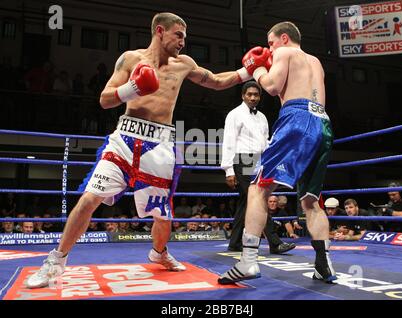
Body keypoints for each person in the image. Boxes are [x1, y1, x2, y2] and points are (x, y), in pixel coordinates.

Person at [27, 12, 252, 289]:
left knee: (162, 215)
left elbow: (216, 81)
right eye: (178, 35)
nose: (183, 41)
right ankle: (55, 262)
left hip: (160, 147)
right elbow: (105, 99)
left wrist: (248, 71)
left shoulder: (184, 64)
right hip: (124, 141)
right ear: (160, 31)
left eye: (185, 36)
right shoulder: (131, 59)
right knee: (89, 199)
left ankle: (159, 253)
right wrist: (133, 88)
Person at [219, 21, 336, 284]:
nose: (269, 49)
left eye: (270, 43)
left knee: (258, 187)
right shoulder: (315, 61)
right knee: (311, 201)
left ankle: (248, 262)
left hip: (297, 119)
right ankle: (324, 265)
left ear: (284, 38)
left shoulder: (285, 52)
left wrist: (257, 67)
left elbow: (271, 86)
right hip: (323, 123)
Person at [221, 81, 295, 254]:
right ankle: (275, 242)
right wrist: (228, 170)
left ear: (260, 97)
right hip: (243, 160)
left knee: (245, 203)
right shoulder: (235, 114)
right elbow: (228, 142)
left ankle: (235, 243)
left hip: (259, 160)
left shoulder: (262, 117)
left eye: (256, 95)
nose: (253, 97)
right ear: (243, 95)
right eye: (249, 94)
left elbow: (265, 141)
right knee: (259, 199)